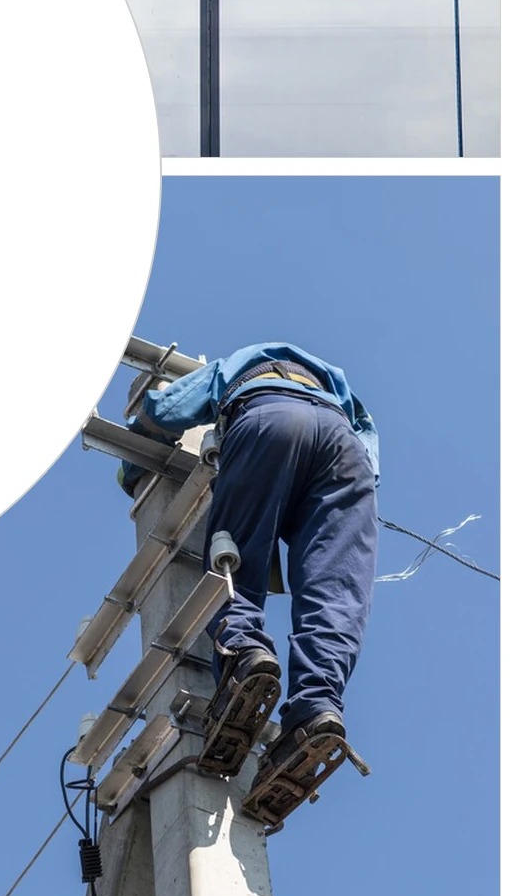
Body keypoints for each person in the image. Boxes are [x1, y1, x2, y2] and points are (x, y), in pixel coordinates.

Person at [124, 343, 380, 823]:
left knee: (234, 549)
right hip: (347, 456)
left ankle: (242, 655)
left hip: (266, 415)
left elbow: (166, 408)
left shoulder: (236, 366)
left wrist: (133, 465)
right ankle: (315, 711)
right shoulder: (338, 386)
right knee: (335, 591)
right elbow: (368, 449)